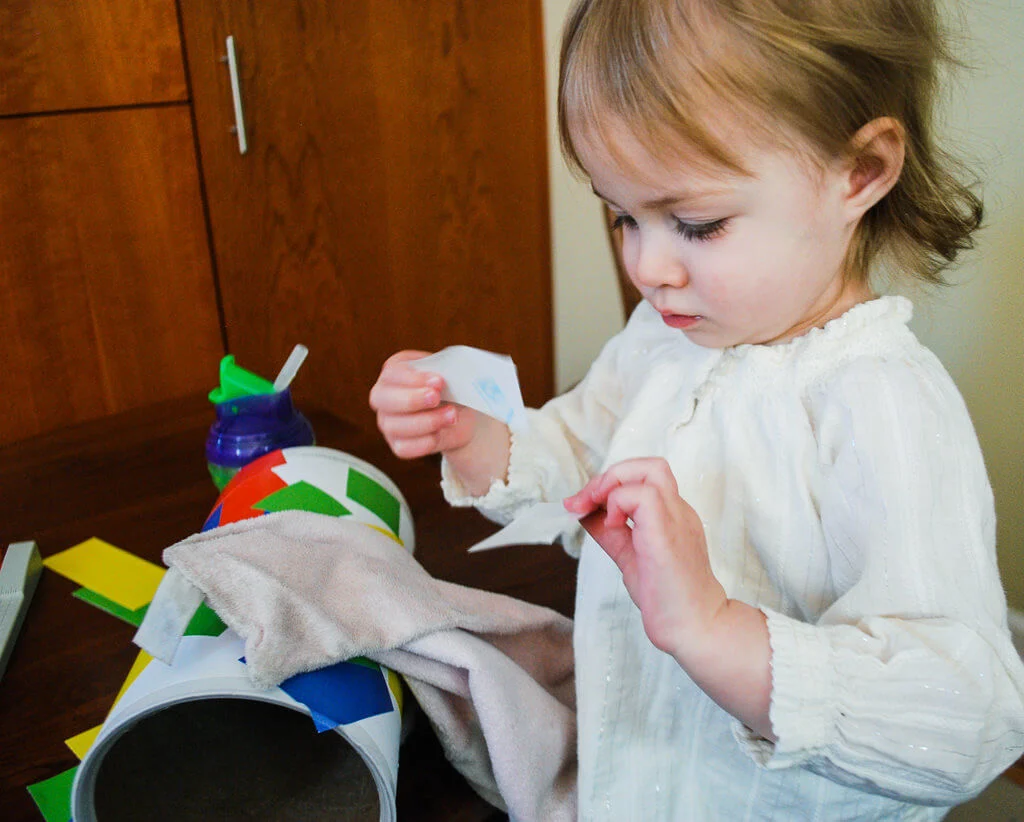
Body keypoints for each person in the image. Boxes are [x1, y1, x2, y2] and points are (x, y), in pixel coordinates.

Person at [369, 0, 1024, 817]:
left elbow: (966, 717)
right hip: (635, 768)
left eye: (696, 224)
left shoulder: (882, 406)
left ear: (859, 172)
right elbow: (574, 453)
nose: (649, 267)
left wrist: (715, 629)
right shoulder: (665, 336)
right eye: (621, 216)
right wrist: (471, 432)